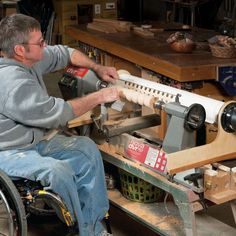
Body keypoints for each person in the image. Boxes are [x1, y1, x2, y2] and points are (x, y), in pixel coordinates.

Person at [0, 13, 120, 236]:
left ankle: (92, 228)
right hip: (8, 152)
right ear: (19, 50)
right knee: (59, 171)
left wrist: (97, 67)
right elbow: (58, 113)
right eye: (40, 43)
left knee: (86, 149)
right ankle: (76, 224)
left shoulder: (30, 59)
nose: (45, 46)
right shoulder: (11, 83)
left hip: (34, 141)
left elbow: (66, 53)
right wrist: (99, 97)